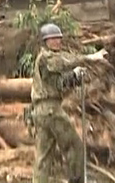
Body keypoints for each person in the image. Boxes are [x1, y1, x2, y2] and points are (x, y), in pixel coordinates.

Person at [29, 23, 108, 183]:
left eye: (59, 38)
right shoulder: (46, 57)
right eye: (53, 39)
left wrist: (74, 76)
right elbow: (63, 61)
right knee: (74, 145)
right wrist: (89, 58)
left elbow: (58, 83)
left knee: (44, 156)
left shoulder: (49, 62)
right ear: (45, 42)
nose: (58, 41)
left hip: (42, 112)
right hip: (49, 109)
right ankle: (78, 180)